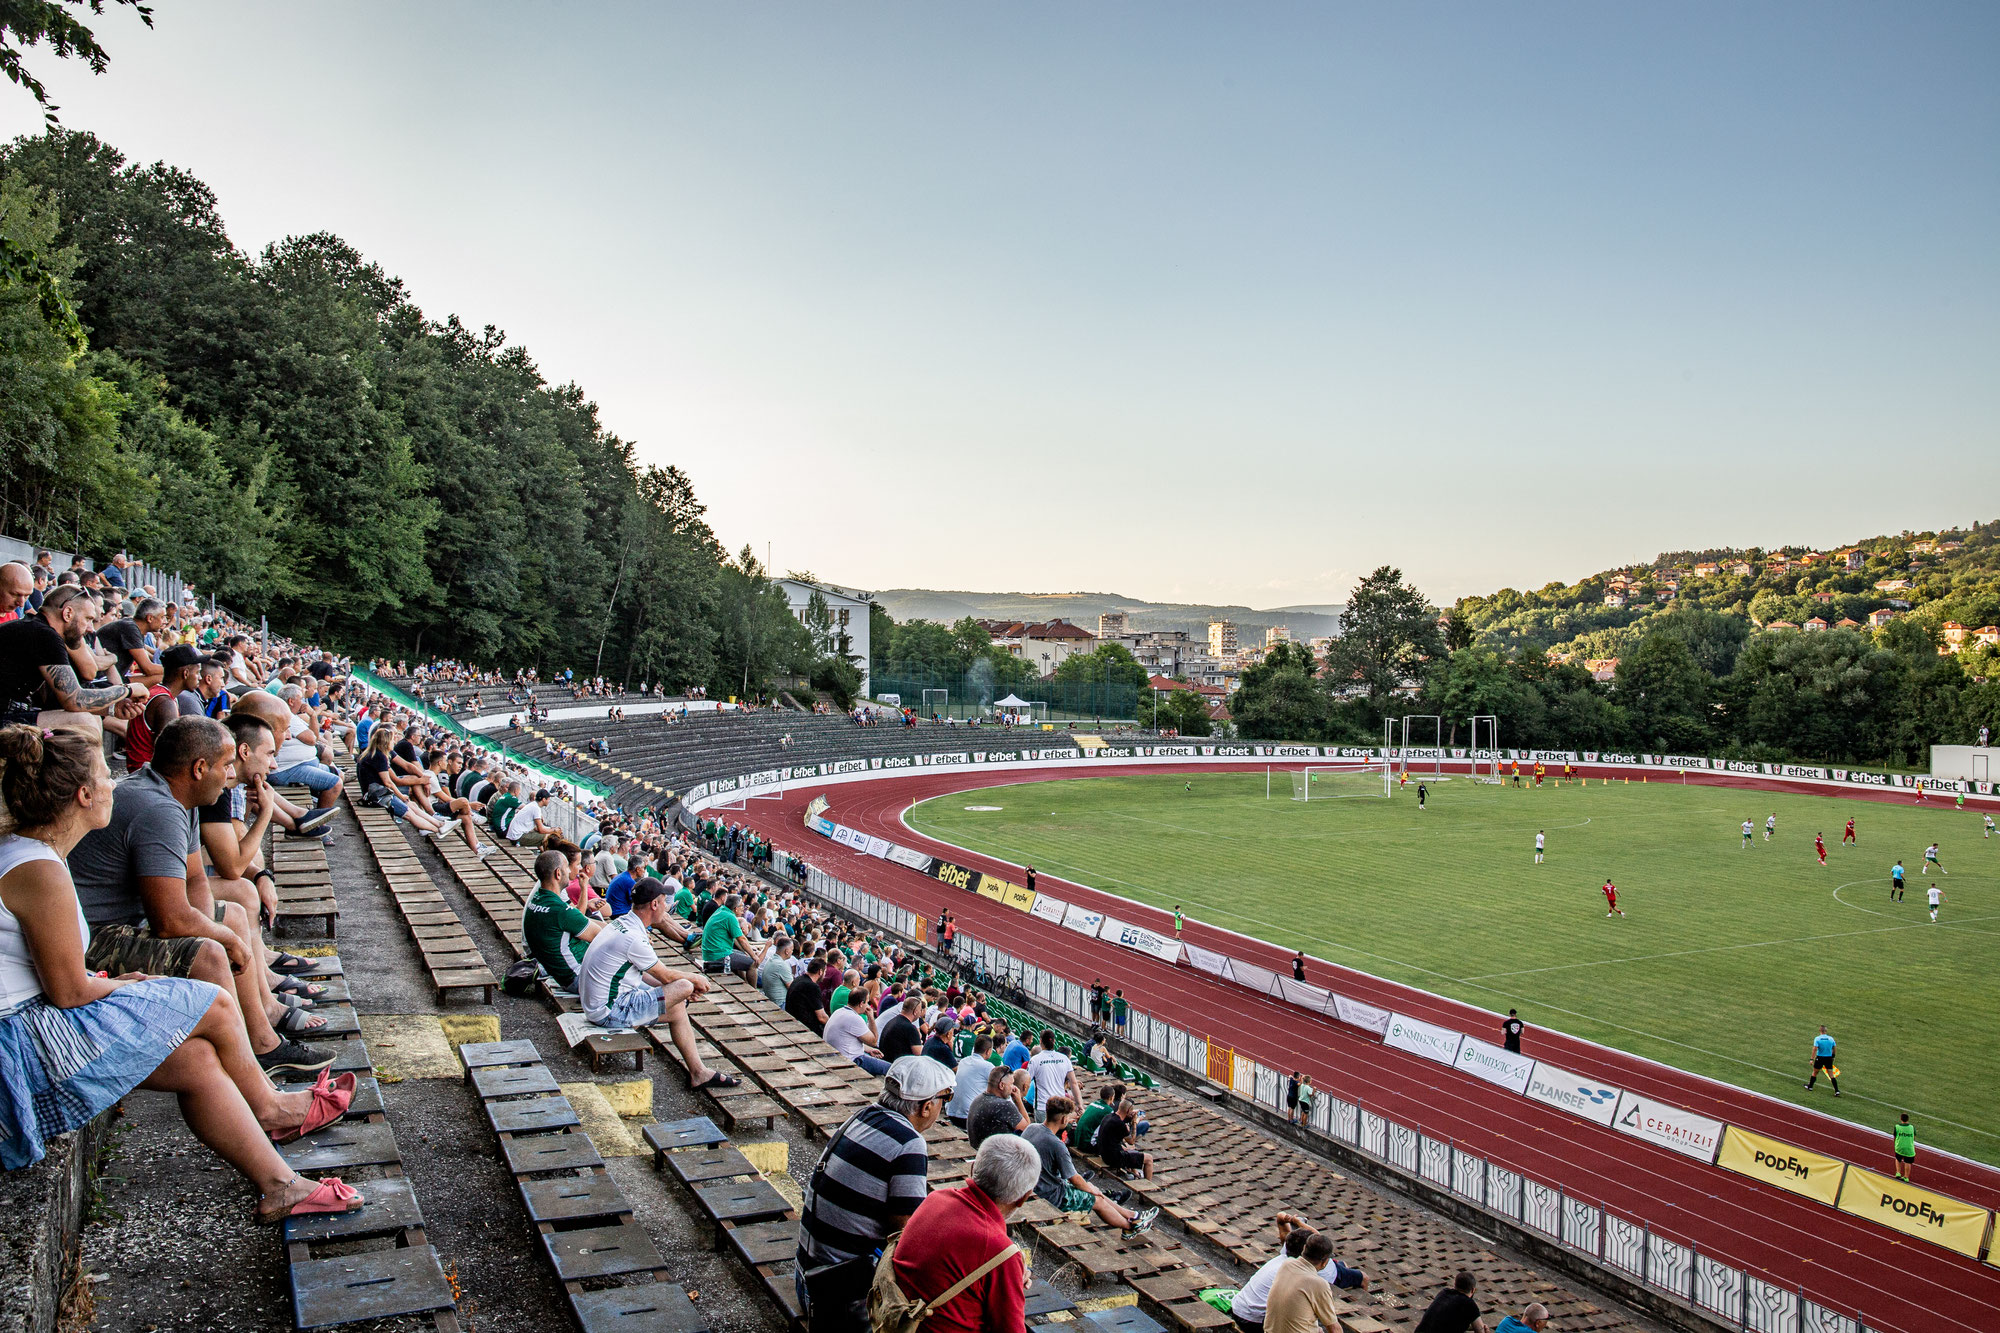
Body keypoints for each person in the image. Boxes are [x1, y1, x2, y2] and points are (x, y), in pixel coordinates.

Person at [0, 724, 359, 1220]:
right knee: (213, 1001)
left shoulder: (35, 856)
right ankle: (271, 1107)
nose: (116, 782)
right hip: (17, 1044)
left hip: (27, 1022)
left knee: (195, 1062)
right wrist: (124, 984)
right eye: (107, 776)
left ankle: (280, 1185)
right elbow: (68, 990)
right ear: (84, 796)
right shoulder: (38, 868)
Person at [67, 716, 332, 1074]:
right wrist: (222, 940)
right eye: (225, 766)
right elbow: (170, 919)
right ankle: (256, 1055)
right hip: (93, 936)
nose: (229, 775)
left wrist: (217, 927)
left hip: (127, 920)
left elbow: (195, 881)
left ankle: (261, 1032)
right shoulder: (157, 808)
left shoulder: (177, 797)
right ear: (199, 768)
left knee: (233, 916)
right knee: (209, 952)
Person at [797, 1056, 952, 1331]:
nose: (943, 1107)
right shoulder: (909, 1143)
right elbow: (906, 1238)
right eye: (944, 1100)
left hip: (807, 1274)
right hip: (834, 1298)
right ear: (927, 1107)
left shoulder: (864, 1115)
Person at [575, 882, 738, 1090]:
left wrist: (677, 989)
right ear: (654, 904)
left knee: (677, 1005)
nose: (667, 907)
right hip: (608, 1011)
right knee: (684, 987)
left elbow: (646, 975)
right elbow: (665, 975)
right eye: (664, 902)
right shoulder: (634, 938)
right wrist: (695, 981)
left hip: (598, 1004)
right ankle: (698, 1072)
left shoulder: (623, 923)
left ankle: (698, 1073)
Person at [886, 1134, 1034, 1333]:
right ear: (1023, 1198)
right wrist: (1009, 1268)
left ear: (973, 1170)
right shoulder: (1000, 1252)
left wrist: (1010, 1269)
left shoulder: (935, 1199)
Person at [1025, 1097, 1155, 1237]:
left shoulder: (1031, 1128)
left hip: (1033, 1186)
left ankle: (1133, 1215)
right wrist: (1092, 1191)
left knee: (1094, 1190)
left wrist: (1091, 1188)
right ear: (1063, 1119)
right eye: (1068, 1117)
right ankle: (1130, 1227)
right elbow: (1074, 1178)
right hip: (1051, 1194)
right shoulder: (1056, 1144)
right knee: (1097, 1199)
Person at [522, 848, 601, 993]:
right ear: (558, 873)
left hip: (559, 972)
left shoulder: (537, 900)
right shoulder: (560, 911)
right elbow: (600, 936)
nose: (571, 871)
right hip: (578, 978)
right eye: (566, 867)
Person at [1265, 1233, 1347, 1333]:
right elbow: (1334, 1329)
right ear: (1325, 1262)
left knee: (1319, 1330)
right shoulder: (1319, 1284)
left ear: (1304, 1248)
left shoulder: (1287, 1264)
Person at [825, 987, 889, 1076]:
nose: (867, 1005)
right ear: (861, 1004)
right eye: (867, 1002)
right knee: (890, 1068)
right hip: (851, 1060)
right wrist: (871, 1017)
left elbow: (849, 1040)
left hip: (838, 1056)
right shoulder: (854, 1018)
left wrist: (869, 1050)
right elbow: (874, 1041)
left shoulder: (839, 1012)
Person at [966, 1061, 1030, 1147]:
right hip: (997, 1156)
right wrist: (1018, 1101)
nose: (1013, 1088)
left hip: (979, 1150)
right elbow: (1027, 1129)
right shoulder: (1004, 1106)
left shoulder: (978, 1099)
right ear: (1001, 1085)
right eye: (1011, 1084)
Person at [1093, 1099, 1152, 1180]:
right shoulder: (1120, 1124)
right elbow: (1131, 1141)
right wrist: (1134, 1122)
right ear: (1128, 1111)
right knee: (1149, 1159)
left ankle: (1134, 1173)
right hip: (1114, 1159)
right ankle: (1149, 1186)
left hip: (1104, 1154)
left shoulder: (1108, 1117)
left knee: (1129, 1150)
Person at [1026, 1029, 1078, 1119]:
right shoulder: (1064, 1059)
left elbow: (1026, 1080)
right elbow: (1074, 1083)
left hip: (1042, 1106)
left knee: (1043, 1132)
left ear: (1040, 1041)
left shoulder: (1035, 1060)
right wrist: (1079, 1103)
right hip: (1060, 1106)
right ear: (1054, 1041)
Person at [946, 1035, 995, 1130]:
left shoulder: (964, 1061)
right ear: (988, 1051)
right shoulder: (988, 1066)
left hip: (951, 1113)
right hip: (968, 1118)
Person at [1413, 1270, 1485, 1333]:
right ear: (1473, 1290)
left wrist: (1472, 1327)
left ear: (1455, 1285)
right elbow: (1480, 1330)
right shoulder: (1469, 1304)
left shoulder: (1444, 1293)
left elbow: (1447, 1323)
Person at [785, 956, 831, 1036]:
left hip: (792, 1022)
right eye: (825, 971)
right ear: (820, 971)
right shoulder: (812, 987)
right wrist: (832, 1025)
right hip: (805, 1029)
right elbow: (822, 1017)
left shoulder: (798, 979)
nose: (825, 974)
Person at [879, 994, 926, 1062]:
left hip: (886, 1060)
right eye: (920, 1010)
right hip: (895, 1065)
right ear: (915, 1012)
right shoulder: (910, 1028)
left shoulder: (893, 1020)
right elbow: (919, 1054)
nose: (921, 1013)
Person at [757, 934, 796, 1006]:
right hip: (780, 1003)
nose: (792, 952)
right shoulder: (781, 965)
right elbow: (792, 988)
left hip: (771, 999)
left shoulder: (771, 959)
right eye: (792, 949)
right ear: (787, 951)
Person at [1804, 1024, 1839, 1095]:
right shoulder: (1831, 1038)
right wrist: (1833, 1056)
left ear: (1820, 1030)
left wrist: (1811, 1059)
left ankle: (1810, 1086)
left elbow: (1815, 1049)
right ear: (1826, 1031)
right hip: (1828, 1058)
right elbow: (1834, 1048)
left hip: (1820, 1058)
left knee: (1815, 1072)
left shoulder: (1817, 1038)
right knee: (1831, 1075)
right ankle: (1837, 1090)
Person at [1891, 1112, 1919, 1181]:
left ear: (1901, 1119)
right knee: (1908, 1162)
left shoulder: (1897, 1127)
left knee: (1898, 1159)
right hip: (1909, 1148)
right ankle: (1906, 1177)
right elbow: (1914, 1137)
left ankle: (1898, 1173)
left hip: (1899, 1147)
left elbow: (1894, 1136)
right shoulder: (1912, 1127)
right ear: (1908, 1119)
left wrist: (1895, 1143)